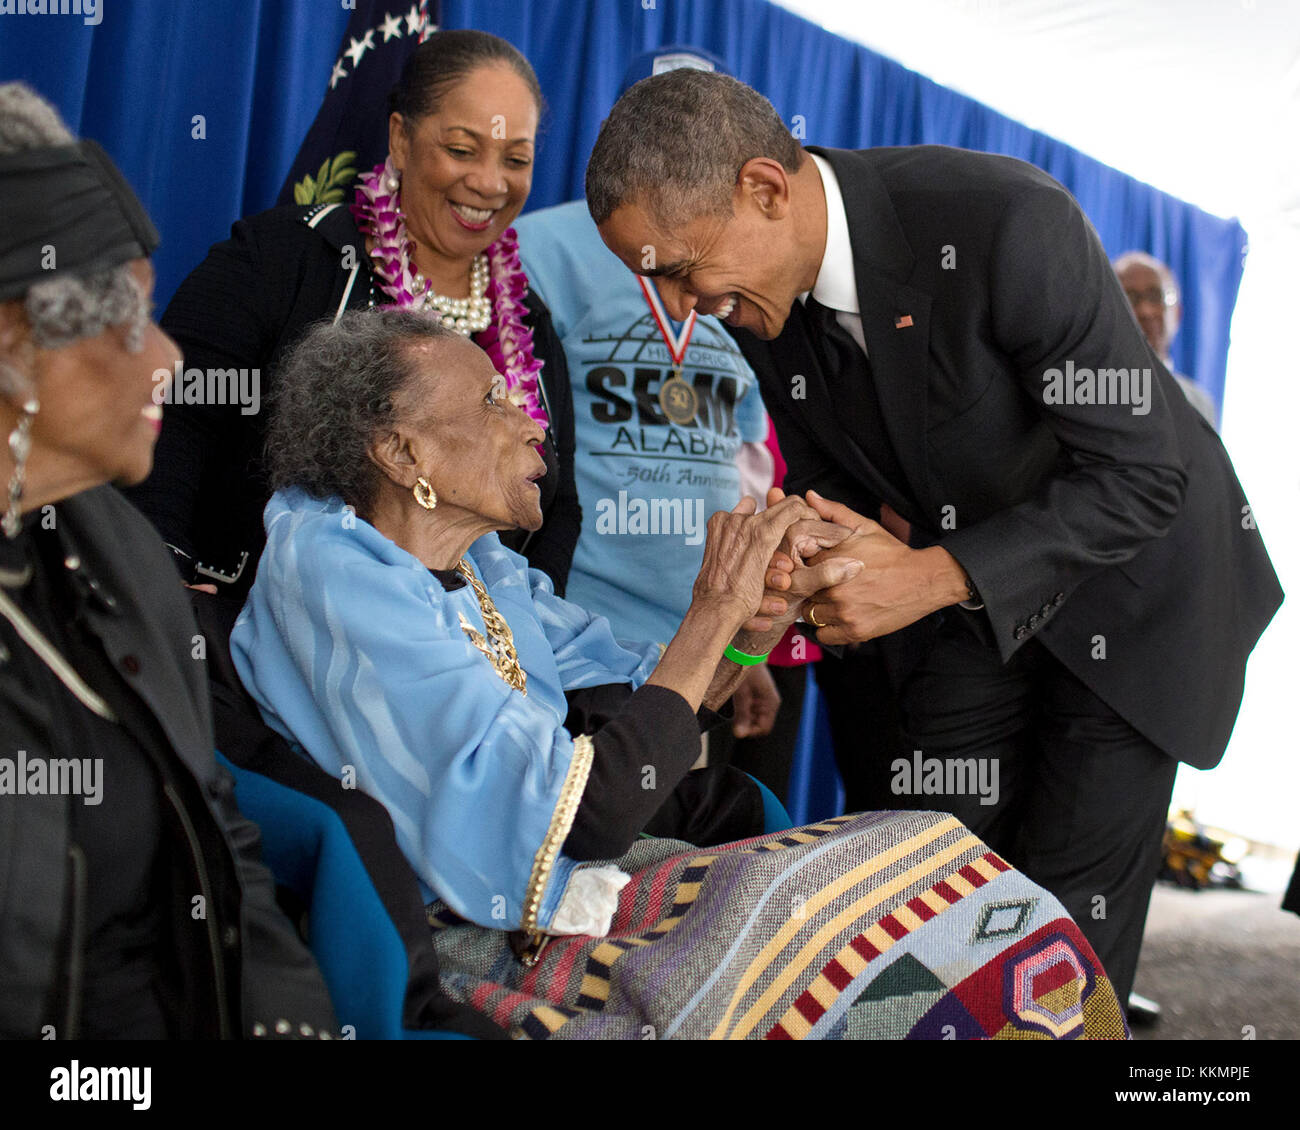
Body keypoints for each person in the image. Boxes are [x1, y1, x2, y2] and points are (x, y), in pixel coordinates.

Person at [230, 308, 1130, 1040]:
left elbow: (639, 718)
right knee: (873, 947)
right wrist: (712, 611)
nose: (531, 419)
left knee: (940, 864)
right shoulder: (337, 569)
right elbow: (583, 811)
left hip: (581, 870)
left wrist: (746, 630)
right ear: (402, 454)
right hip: (479, 927)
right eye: (495, 402)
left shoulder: (484, 564)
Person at [584, 69, 1283, 1009]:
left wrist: (933, 576)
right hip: (976, 601)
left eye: (677, 268)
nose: (676, 302)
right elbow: (849, 465)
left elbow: (1143, 475)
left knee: (1060, 934)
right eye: (651, 276)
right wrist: (811, 544)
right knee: (933, 873)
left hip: (1136, 584)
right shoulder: (750, 290)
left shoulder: (1005, 222)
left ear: (763, 188)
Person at [0, 82, 338, 1039]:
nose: (170, 361)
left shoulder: (127, 560)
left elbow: (222, 841)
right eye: (132, 319)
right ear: (15, 341)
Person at [124, 29, 580, 599]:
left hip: (456, 666)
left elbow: (560, 508)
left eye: (516, 159)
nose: (490, 183)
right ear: (401, 139)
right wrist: (163, 582)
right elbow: (176, 414)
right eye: (462, 150)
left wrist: (523, 632)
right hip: (250, 638)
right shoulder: (286, 256)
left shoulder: (531, 324)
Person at [512, 45, 789, 795]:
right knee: (586, 858)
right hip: (577, 637)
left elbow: (751, 467)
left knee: (676, 880)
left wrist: (744, 650)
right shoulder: (543, 249)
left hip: (701, 639)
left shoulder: (753, 262)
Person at [1114, 250, 1218, 426]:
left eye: (1156, 296)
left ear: (1177, 313)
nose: (1145, 310)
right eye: (1130, 298)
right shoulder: (1088, 392)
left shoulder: (1198, 404)